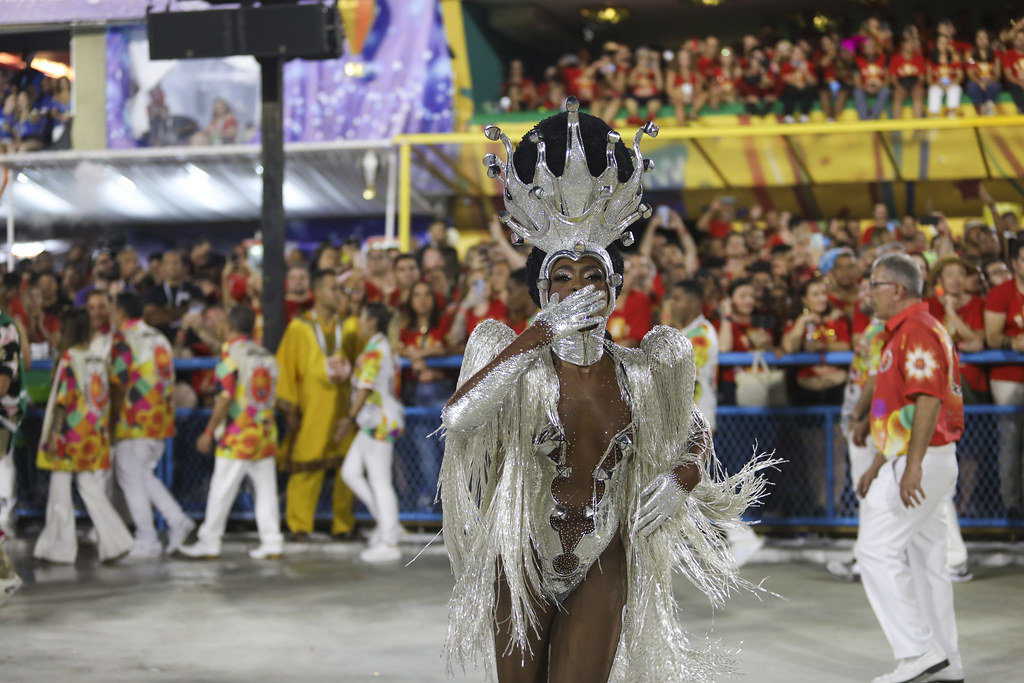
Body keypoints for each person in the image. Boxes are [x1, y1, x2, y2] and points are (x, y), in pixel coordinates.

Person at [440, 100, 773, 681]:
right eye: (562, 277)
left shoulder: (645, 369)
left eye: (593, 275)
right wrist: (537, 336)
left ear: (615, 286)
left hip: (605, 550)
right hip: (521, 547)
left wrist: (682, 476)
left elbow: (694, 430)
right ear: (542, 290)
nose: (578, 290)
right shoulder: (515, 361)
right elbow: (459, 417)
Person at [856, 252, 963, 683]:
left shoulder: (916, 330)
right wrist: (879, 461)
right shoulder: (908, 330)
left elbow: (928, 400)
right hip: (922, 457)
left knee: (874, 550)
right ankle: (948, 662)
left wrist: (911, 465)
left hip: (922, 459)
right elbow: (904, 410)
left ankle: (918, 651)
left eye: (874, 284)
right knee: (928, 563)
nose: (869, 292)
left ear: (896, 289)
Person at [179, 306, 283, 560]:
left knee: (221, 489)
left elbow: (225, 398)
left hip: (238, 434)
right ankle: (272, 541)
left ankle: (210, 541)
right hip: (265, 432)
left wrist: (208, 431)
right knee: (266, 491)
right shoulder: (267, 356)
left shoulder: (230, 358)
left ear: (228, 327)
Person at [33, 310, 134, 564]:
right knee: (89, 486)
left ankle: (59, 548)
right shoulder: (97, 358)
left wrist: (55, 433)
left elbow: (63, 399)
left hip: (70, 432)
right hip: (92, 432)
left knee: (60, 489)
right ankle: (116, 541)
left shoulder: (70, 358)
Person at [275, 269, 361, 541]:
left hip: (344, 409)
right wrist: (289, 409)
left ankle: (343, 524)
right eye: (333, 289)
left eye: (340, 289)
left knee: (348, 467)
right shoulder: (299, 327)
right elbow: (285, 368)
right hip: (312, 409)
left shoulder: (348, 325)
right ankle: (299, 525)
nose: (338, 294)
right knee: (306, 465)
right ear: (317, 292)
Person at [110, 292, 195, 558]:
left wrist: (112, 420)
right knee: (144, 475)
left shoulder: (124, 338)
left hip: (133, 419)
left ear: (121, 312)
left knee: (132, 479)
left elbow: (119, 382)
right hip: (160, 418)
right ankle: (177, 520)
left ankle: (147, 540)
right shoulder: (159, 338)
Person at [337, 303, 405, 563]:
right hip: (376, 421)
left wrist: (348, 418)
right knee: (350, 472)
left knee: (379, 481)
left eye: (362, 317)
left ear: (373, 321)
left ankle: (390, 541)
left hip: (379, 422)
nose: (359, 322)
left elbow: (365, 387)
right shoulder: (381, 346)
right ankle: (388, 524)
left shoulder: (376, 350)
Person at [983, 239, 1024, 518]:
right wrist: (1013, 343)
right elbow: (993, 337)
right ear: (1015, 263)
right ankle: (1011, 504)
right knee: (1010, 440)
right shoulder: (1001, 293)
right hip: (1008, 376)